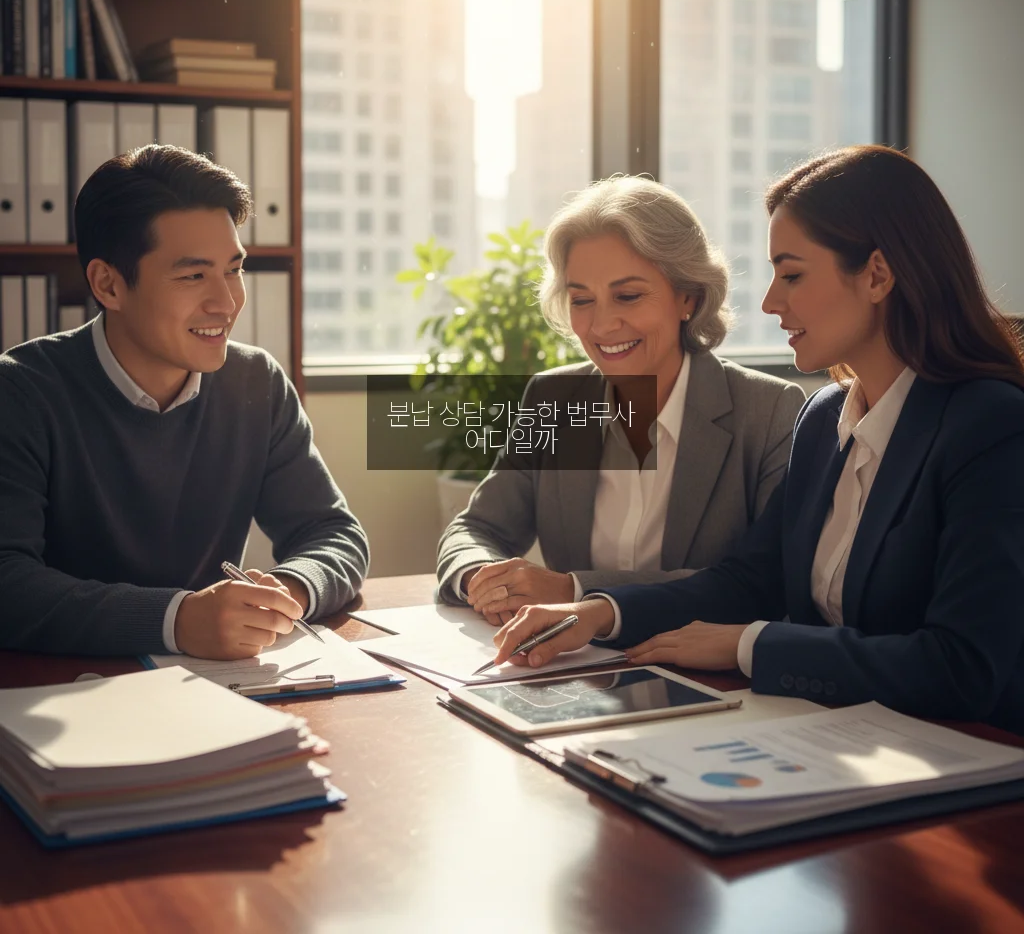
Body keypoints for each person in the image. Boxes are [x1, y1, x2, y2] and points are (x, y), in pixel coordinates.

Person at [489, 146, 1024, 734]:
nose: (770, 301)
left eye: (792, 274)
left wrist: (751, 645)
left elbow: (963, 667)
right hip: (836, 738)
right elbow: (748, 580)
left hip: (968, 766)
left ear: (877, 274)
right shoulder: (824, 420)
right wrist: (599, 612)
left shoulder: (990, 425)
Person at [0, 145, 369, 659]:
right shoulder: (20, 392)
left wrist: (288, 591)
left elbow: (332, 532)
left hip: (216, 688)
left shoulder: (256, 382)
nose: (226, 301)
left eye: (234, 270)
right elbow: (7, 583)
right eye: (193, 275)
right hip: (60, 691)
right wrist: (175, 620)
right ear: (108, 284)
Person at [436, 176, 805, 624]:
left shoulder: (769, 411)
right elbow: (476, 528)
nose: (601, 325)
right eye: (582, 299)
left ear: (687, 295)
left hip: (706, 670)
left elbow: (760, 585)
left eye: (627, 296)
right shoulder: (554, 401)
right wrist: (484, 578)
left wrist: (575, 591)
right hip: (568, 667)